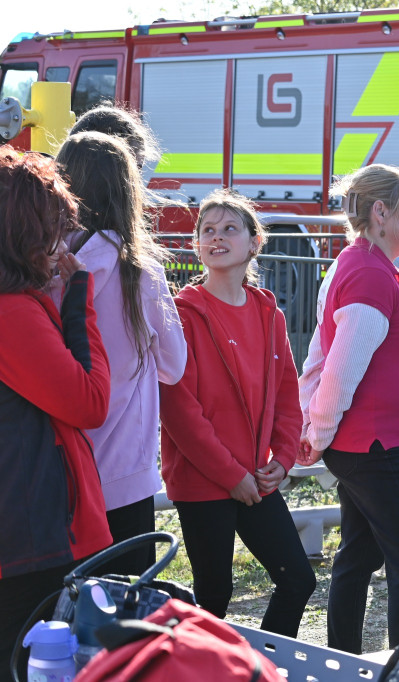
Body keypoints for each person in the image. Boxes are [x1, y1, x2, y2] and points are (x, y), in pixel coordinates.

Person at [159, 189, 315, 637]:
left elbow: (288, 397)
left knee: (298, 579)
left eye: (230, 228)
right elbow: (179, 409)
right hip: (205, 480)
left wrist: (282, 460)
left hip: (257, 478)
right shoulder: (182, 314)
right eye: (207, 230)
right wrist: (231, 476)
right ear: (196, 245)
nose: (217, 237)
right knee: (213, 594)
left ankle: (258, 666)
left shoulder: (269, 313)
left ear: (254, 242)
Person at [297, 165, 399, 654]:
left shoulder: (369, 266)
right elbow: (339, 369)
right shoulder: (368, 273)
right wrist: (315, 433)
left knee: (359, 555)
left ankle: (343, 657)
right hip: (370, 446)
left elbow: (324, 351)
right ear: (381, 213)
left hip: (368, 443)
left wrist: (315, 428)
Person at [0, 149, 112, 682]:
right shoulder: (12, 312)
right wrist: (79, 303)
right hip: (30, 541)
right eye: (52, 228)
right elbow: (90, 402)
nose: (59, 242)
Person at [55, 132, 186, 577]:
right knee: (124, 612)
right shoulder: (140, 270)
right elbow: (174, 365)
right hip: (126, 471)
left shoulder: (46, 265)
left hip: (62, 467)